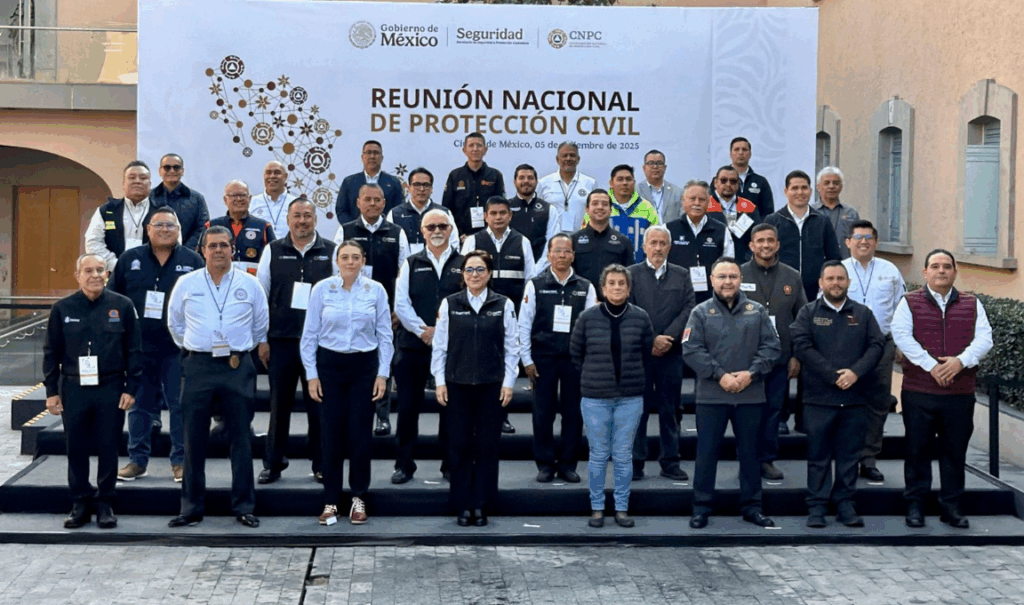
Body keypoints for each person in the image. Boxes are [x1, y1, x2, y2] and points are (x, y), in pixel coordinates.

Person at [166, 226, 269, 529]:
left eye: (224, 245)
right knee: (193, 439)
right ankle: (191, 508)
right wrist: (198, 347)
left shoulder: (250, 284)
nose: (219, 250)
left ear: (233, 249)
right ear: (202, 250)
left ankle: (244, 506)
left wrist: (238, 347)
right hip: (198, 365)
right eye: (213, 246)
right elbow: (175, 324)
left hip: (237, 366)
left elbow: (260, 325)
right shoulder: (187, 283)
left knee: (241, 438)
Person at [892, 249, 992, 529]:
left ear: (955, 272)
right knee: (917, 452)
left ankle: (952, 508)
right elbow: (901, 335)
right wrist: (931, 365)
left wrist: (960, 361)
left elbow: (985, 339)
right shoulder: (909, 301)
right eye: (935, 266)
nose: (941, 271)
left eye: (947, 266)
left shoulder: (972, 303)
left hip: (959, 394)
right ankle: (915, 506)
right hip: (919, 391)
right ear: (925, 272)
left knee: (954, 453)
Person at [43, 254, 142, 529]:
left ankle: (105, 502)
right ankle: (80, 501)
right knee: (75, 446)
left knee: (108, 446)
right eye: (88, 270)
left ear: (107, 275)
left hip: (111, 386)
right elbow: (51, 352)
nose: (95, 275)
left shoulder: (123, 305)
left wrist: (131, 388)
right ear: (78, 275)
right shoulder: (62, 308)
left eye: (100, 270)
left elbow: (134, 350)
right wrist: (51, 391)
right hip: (73, 387)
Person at [683, 257, 780, 529]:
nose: (728, 282)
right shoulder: (700, 312)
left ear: (741, 280)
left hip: (750, 395)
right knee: (706, 454)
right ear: (712, 280)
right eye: (722, 277)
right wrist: (720, 375)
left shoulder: (757, 311)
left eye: (733, 276)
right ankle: (701, 507)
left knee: (751, 455)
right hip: (711, 396)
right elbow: (691, 349)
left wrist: (751, 373)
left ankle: (752, 507)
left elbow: (772, 347)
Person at [302, 240, 394, 526]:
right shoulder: (322, 289)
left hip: (364, 368)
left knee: (360, 435)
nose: (350, 262)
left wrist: (382, 374)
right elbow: (309, 335)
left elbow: (385, 335)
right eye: (345, 257)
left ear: (363, 261)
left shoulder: (376, 290)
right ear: (336, 260)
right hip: (329, 367)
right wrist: (311, 375)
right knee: (330, 435)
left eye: (355, 257)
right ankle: (330, 501)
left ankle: (358, 497)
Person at [110, 207, 203, 484]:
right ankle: (137, 461)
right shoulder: (129, 259)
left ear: (179, 231)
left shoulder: (193, 260)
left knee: (179, 405)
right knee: (139, 405)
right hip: (139, 348)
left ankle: (180, 462)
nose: (165, 229)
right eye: (159, 224)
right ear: (147, 229)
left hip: (179, 348)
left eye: (170, 225)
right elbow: (113, 301)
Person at [791, 261, 885, 528]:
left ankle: (845, 505)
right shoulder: (808, 313)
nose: (835, 283)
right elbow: (801, 345)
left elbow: (877, 345)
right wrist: (833, 376)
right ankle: (817, 507)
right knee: (818, 457)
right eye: (830, 278)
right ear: (821, 283)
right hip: (818, 399)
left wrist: (855, 373)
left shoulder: (863, 314)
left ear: (848, 283)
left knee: (849, 457)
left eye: (840, 278)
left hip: (855, 398)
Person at [432, 251, 519, 527]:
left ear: (489, 273)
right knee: (458, 445)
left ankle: (481, 504)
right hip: (456, 385)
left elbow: (512, 347)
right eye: (469, 270)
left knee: (486, 447)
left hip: (491, 386)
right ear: (462, 274)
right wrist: (439, 380)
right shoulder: (450, 303)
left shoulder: (503, 304)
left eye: (480, 269)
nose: (474, 275)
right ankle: (461, 504)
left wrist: (508, 382)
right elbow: (440, 346)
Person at [255, 197, 337, 485]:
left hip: (320, 343)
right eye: (297, 216)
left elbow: (338, 296)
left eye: (307, 216)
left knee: (320, 406)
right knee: (279, 405)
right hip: (282, 341)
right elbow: (261, 297)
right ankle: (273, 463)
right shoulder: (273, 250)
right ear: (288, 220)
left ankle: (322, 463)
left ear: (315, 219)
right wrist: (262, 339)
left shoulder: (331, 251)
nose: (302, 221)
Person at [571, 264, 653, 529]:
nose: (617, 288)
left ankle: (621, 508)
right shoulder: (587, 318)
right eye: (612, 283)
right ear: (603, 288)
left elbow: (646, 353)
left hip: (630, 397)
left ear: (629, 289)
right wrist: (596, 377)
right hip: (595, 397)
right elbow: (576, 354)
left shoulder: (641, 317)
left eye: (622, 283)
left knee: (623, 454)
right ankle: (597, 508)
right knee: (598, 455)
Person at [392, 209, 463, 484]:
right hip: (413, 346)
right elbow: (401, 304)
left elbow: (467, 301)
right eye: (430, 226)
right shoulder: (411, 262)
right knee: (408, 409)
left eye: (442, 226)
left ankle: (451, 465)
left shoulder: (464, 263)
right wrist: (424, 331)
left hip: (451, 349)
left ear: (451, 229)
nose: (437, 231)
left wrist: (441, 333)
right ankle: (404, 465)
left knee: (452, 411)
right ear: (422, 231)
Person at [519, 234, 597, 483]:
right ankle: (545, 463)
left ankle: (568, 464)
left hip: (575, 360)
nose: (562, 255)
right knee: (543, 413)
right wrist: (526, 359)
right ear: (549, 255)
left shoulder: (586, 286)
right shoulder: (535, 285)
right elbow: (524, 323)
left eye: (567, 251)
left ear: (573, 255)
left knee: (574, 414)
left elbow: (592, 327)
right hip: (543, 358)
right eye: (557, 251)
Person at [335, 183, 411, 436]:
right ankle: (351, 416)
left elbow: (403, 275)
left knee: (383, 363)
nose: (372, 204)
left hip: (385, 311)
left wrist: (398, 309)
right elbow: (335, 272)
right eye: (367, 199)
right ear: (358, 203)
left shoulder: (397, 232)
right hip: (351, 309)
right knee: (354, 364)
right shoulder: (345, 231)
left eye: (377, 200)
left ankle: (382, 416)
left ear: (384, 204)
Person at [627, 225, 696, 482]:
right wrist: (651, 339)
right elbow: (628, 308)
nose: (657, 248)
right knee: (638, 410)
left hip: (672, 353)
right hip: (640, 355)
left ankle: (670, 462)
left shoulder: (682, 275)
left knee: (671, 410)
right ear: (644, 246)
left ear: (669, 247)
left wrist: (668, 337)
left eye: (662, 243)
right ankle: (635, 462)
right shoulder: (631, 274)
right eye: (653, 243)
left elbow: (689, 308)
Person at [740, 223, 807, 480]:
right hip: (745, 358)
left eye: (770, 240)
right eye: (760, 241)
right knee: (747, 413)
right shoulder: (738, 274)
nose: (765, 245)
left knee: (772, 412)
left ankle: (767, 459)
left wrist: (796, 355)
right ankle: (747, 461)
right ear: (751, 245)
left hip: (780, 358)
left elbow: (801, 319)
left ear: (777, 245)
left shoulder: (792, 276)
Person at [842, 220, 905, 483]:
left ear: (876, 242)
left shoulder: (890, 270)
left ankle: (868, 458)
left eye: (869, 237)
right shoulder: (839, 270)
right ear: (848, 242)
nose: (863, 242)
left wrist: (900, 343)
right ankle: (846, 457)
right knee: (847, 402)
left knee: (878, 404)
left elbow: (902, 309)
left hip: (882, 345)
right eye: (858, 237)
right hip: (846, 346)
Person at [764, 170, 842, 301]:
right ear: (786, 191)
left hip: (815, 292)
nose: (800, 192)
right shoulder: (773, 220)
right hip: (780, 289)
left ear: (810, 191)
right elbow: (763, 255)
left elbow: (833, 257)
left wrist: (826, 283)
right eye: (795, 188)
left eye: (804, 188)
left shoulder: (822, 221)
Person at [85, 160, 165, 272]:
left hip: (153, 273)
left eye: (143, 178)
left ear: (150, 184)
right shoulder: (106, 211)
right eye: (132, 178)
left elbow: (173, 242)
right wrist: (116, 265)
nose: (137, 181)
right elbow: (93, 242)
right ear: (123, 184)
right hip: (115, 274)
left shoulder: (163, 212)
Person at [665, 179, 733, 304]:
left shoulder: (721, 230)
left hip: (711, 298)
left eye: (701, 199)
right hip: (676, 297)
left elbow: (728, 265)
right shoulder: (668, 229)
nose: (697, 203)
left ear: (709, 202)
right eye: (692, 199)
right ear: (683, 200)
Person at [585, 165, 659, 264]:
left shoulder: (647, 208)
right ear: (611, 183)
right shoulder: (599, 208)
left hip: (638, 268)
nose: (625, 183)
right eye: (620, 179)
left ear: (634, 183)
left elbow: (656, 240)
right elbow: (586, 238)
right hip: (604, 267)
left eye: (628, 179)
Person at [203, 180, 275, 276]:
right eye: (234, 195)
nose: (239, 199)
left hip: (253, 281)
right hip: (218, 279)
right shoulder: (211, 226)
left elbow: (274, 258)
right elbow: (201, 257)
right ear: (225, 200)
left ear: (249, 198)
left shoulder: (263, 227)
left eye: (242, 195)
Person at [571, 190, 634, 298]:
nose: (600, 207)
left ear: (611, 210)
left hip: (613, 301)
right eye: (595, 204)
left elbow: (629, 277)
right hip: (581, 300)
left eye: (605, 204)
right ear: (587, 209)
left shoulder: (623, 242)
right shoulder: (574, 240)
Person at [442, 132, 505, 240]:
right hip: (461, 237)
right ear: (464, 150)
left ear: (485, 149)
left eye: (479, 145)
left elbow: (500, 207)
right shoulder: (455, 176)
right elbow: (447, 209)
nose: (475, 149)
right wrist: (458, 234)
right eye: (471, 145)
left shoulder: (495, 175)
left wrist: (491, 234)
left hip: (489, 237)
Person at [386, 167, 460, 254]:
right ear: (408, 188)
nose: (421, 189)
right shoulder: (395, 214)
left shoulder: (443, 213)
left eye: (426, 185)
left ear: (431, 188)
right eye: (417, 185)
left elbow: (454, 243)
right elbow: (389, 245)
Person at [508, 163, 562, 276]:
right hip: (511, 270)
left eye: (530, 178)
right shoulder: (505, 208)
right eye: (521, 178)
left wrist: (535, 270)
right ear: (514, 182)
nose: (526, 181)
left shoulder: (549, 209)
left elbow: (552, 243)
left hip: (541, 272)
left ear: (537, 182)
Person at [148, 153, 209, 250]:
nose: (172, 171)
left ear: (182, 171)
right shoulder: (148, 197)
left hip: (187, 254)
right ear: (160, 171)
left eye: (176, 168)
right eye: (167, 167)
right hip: (151, 253)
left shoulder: (197, 199)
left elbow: (202, 228)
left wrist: (185, 251)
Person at [335, 140, 405, 224]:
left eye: (376, 153)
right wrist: (354, 228)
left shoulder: (394, 183)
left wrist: (387, 228)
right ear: (362, 157)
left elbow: (399, 211)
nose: (372, 156)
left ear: (382, 158)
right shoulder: (349, 182)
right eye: (368, 152)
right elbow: (341, 211)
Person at [536, 141, 597, 232]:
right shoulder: (544, 183)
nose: (568, 158)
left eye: (572, 155)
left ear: (578, 159)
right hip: (552, 237)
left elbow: (595, 213)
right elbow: (536, 212)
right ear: (557, 159)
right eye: (564, 156)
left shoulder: (590, 183)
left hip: (581, 237)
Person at [707, 165, 760, 264]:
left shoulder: (749, 207)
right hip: (712, 262)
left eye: (733, 181)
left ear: (738, 184)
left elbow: (757, 236)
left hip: (742, 263)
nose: (728, 184)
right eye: (723, 180)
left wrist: (748, 258)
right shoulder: (705, 205)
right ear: (715, 183)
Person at [813, 167, 859, 259]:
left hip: (844, 263)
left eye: (836, 183)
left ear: (841, 187)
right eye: (827, 183)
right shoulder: (810, 212)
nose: (831, 186)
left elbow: (858, 240)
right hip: (818, 263)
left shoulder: (851, 213)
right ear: (818, 187)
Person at [249, 160, 298, 238]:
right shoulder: (251, 203)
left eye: (277, 172)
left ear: (285, 176)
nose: (272, 176)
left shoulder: (296, 204)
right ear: (264, 176)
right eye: (268, 173)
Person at [729, 137, 775, 219]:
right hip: (726, 226)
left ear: (750, 154)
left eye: (744, 149)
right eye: (736, 149)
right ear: (730, 153)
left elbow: (768, 214)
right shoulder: (720, 181)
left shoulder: (761, 182)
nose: (740, 153)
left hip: (755, 227)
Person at [637, 150, 684, 223]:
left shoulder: (677, 192)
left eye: (659, 163)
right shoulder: (635, 192)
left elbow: (683, 218)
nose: (655, 166)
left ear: (665, 167)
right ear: (644, 168)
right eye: (651, 163)